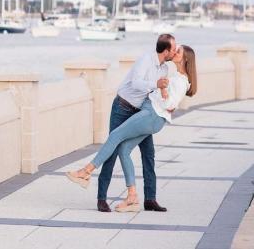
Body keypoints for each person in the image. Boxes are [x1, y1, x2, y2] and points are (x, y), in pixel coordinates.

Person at [66, 45, 197, 212]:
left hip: (151, 115)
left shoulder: (180, 80)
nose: (174, 52)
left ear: (185, 59)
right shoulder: (174, 75)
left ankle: (85, 172)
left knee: (115, 136)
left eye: (178, 52)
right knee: (124, 150)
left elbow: (170, 104)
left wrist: (162, 89)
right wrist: (160, 89)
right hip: (151, 115)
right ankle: (132, 197)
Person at [95, 34, 177, 213]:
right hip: (122, 107)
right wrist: (156, 84)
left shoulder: (164, 69)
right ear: (165, 50)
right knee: (113, 150)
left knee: (149, 153)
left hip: (140, 113)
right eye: (173, 48)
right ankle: (101, 198)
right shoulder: (146, 60)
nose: (175, 51)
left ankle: (150, 199)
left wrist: (168, 104)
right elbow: (136, 83)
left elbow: (156, 94)